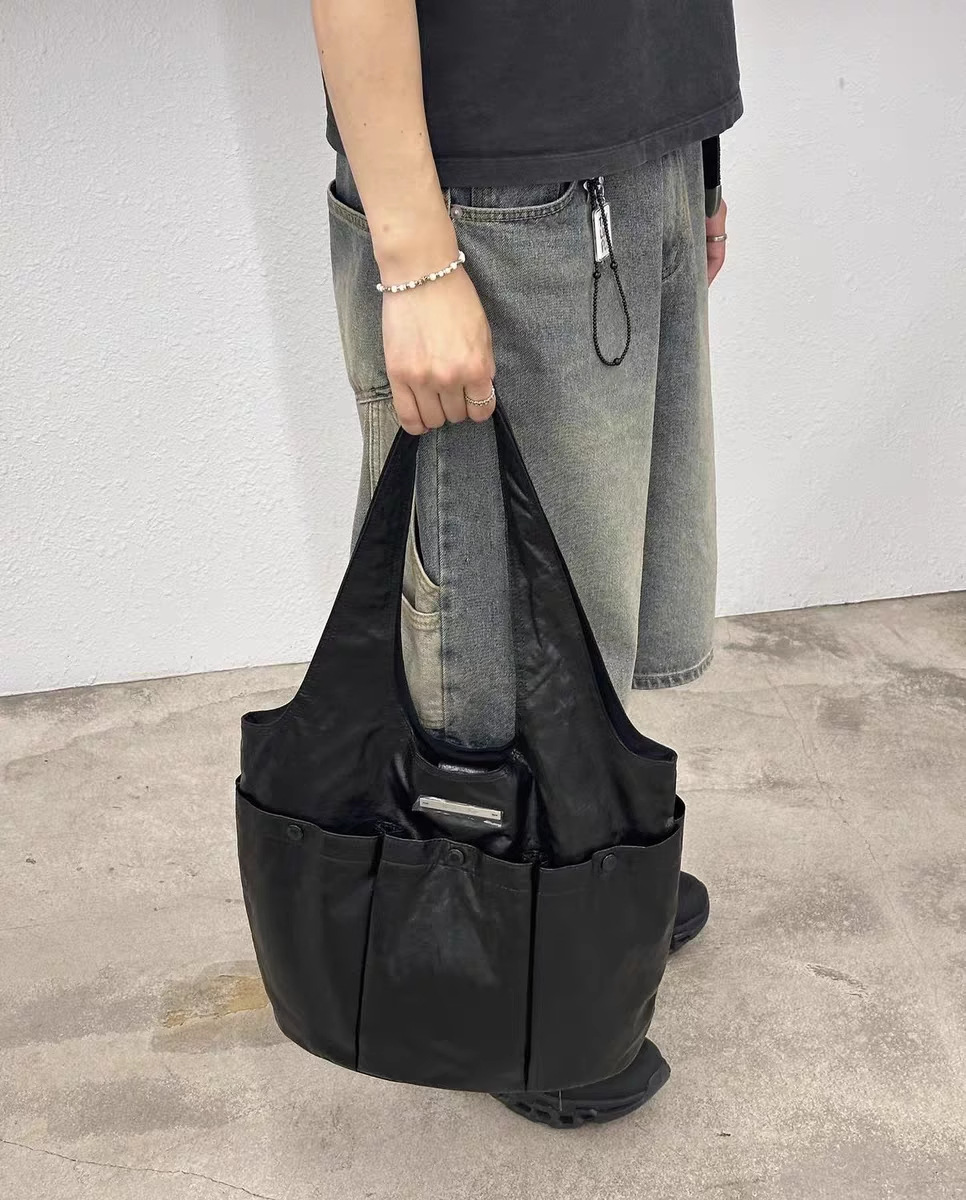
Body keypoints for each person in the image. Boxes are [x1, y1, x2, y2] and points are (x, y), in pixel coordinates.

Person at [310, 0, 742, 1128]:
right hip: (491, 188)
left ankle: (584, 879)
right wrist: (414, 257)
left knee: (601, 587)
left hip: (633, 141)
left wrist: (693, 155)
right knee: (490, 619)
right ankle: (514, 978)